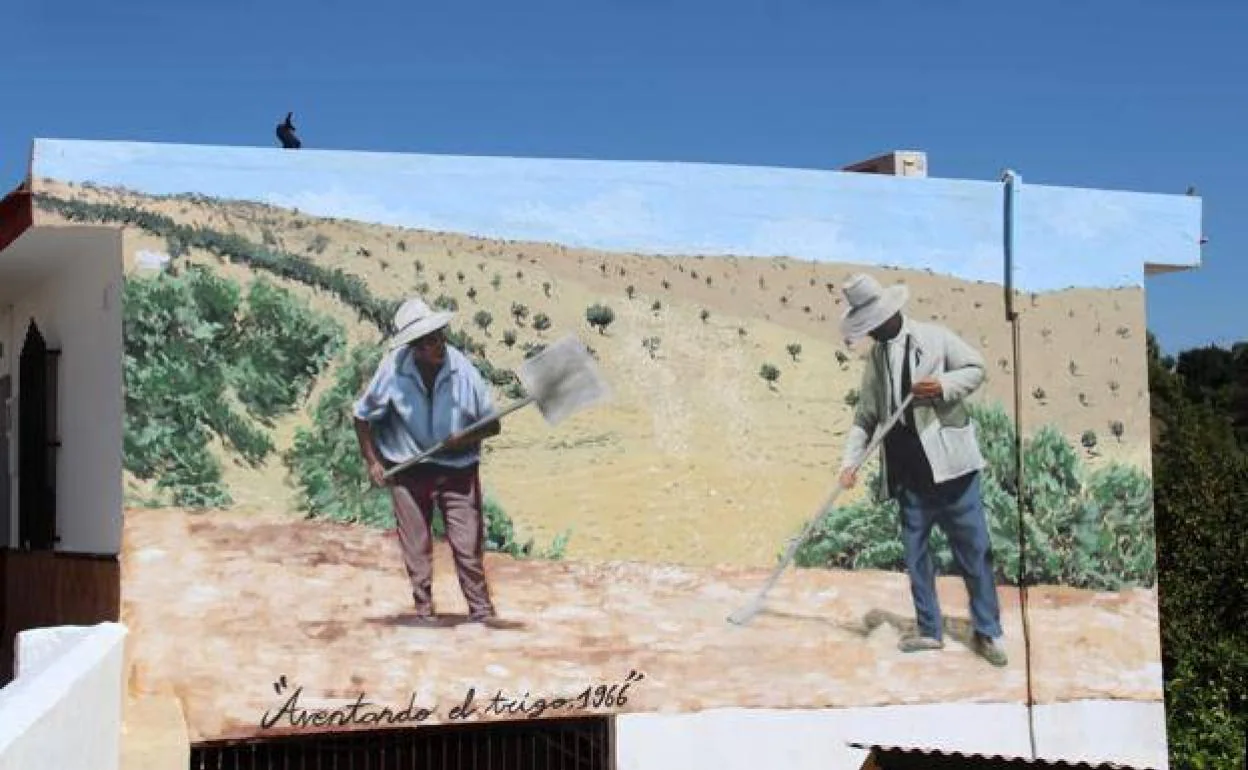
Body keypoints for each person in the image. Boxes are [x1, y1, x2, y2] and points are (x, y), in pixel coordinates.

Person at [836, 273, 1007, 667]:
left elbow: (976, 369)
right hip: (907, 474)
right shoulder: (876, 359)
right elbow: (866, 416)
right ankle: (930, 630)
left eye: (872, 324)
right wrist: (850, 463)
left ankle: (987, 632)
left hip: (951, 469)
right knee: (916, 556)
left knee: (974, 552)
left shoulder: (935, 338)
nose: (871, 332)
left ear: (889, 314)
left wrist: (942, 386)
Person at [353, 297, 501, 626]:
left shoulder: (463, 370)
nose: (436, 346)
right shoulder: (392, 369)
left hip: (458, 469)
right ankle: (423, 611)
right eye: (427, 342)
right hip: (407, 467)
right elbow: (361, 416)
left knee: (467, 544)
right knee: (416, 545)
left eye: (438, 337)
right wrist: (372, 461)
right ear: (413, 348)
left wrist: (463, 438)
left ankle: (481, 612)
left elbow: (493, 424)